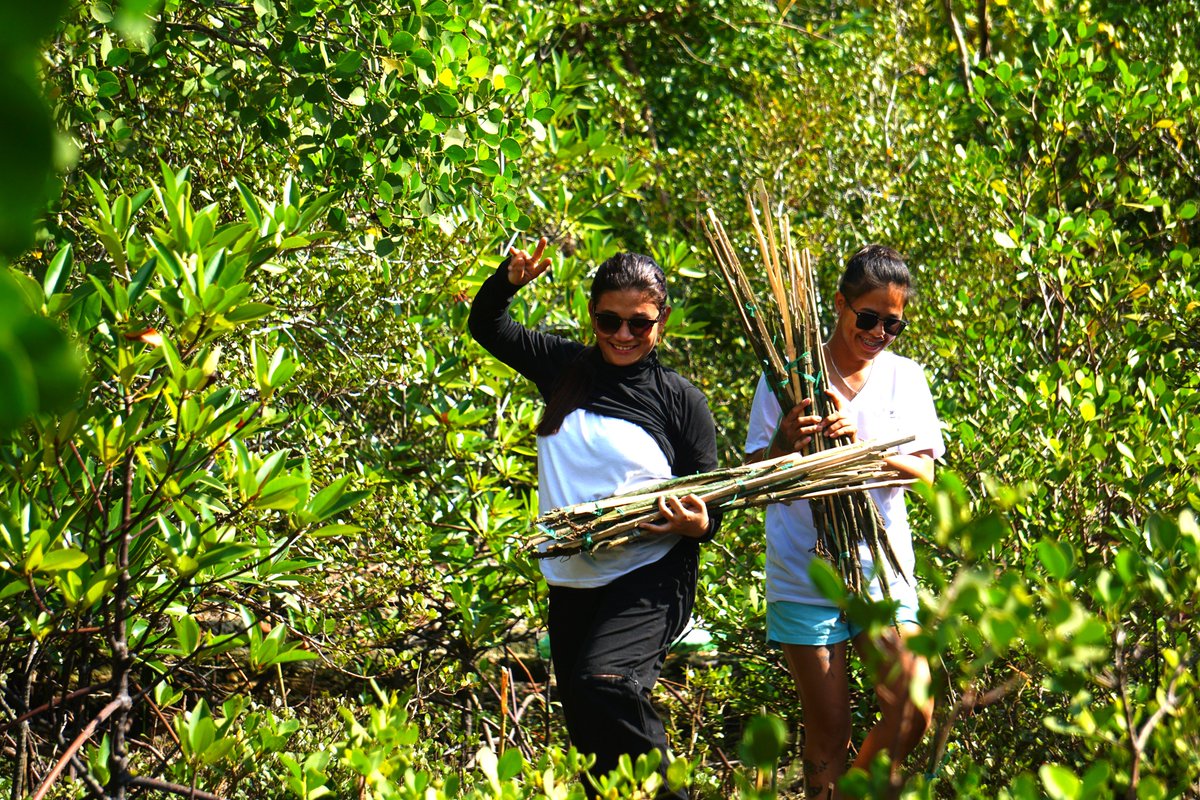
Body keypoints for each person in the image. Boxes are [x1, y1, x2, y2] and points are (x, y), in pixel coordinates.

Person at [468, 238, 720, 799]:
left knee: (606, 682)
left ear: (663, 320)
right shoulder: (564, 368)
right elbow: (486, 324)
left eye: (639, 323)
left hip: (651, 573)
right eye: (609, 321)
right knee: (589, 735)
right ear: (592, 316)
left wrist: (691, 523)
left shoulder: (681, 401)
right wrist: (506, 281)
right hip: (573, 576)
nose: (623, 336)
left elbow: (712, 507)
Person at [744, 244, 945, 798]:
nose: (879, 332)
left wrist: (863, 451)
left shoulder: (906, 378)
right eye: (869, 318)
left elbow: (926, 473)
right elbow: (753, 478)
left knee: (914, 706)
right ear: (840, 304)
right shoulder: (786, 379)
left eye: (893, 325)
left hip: (881, 572)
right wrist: (787, 440)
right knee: (828, 735)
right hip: (804, 575)